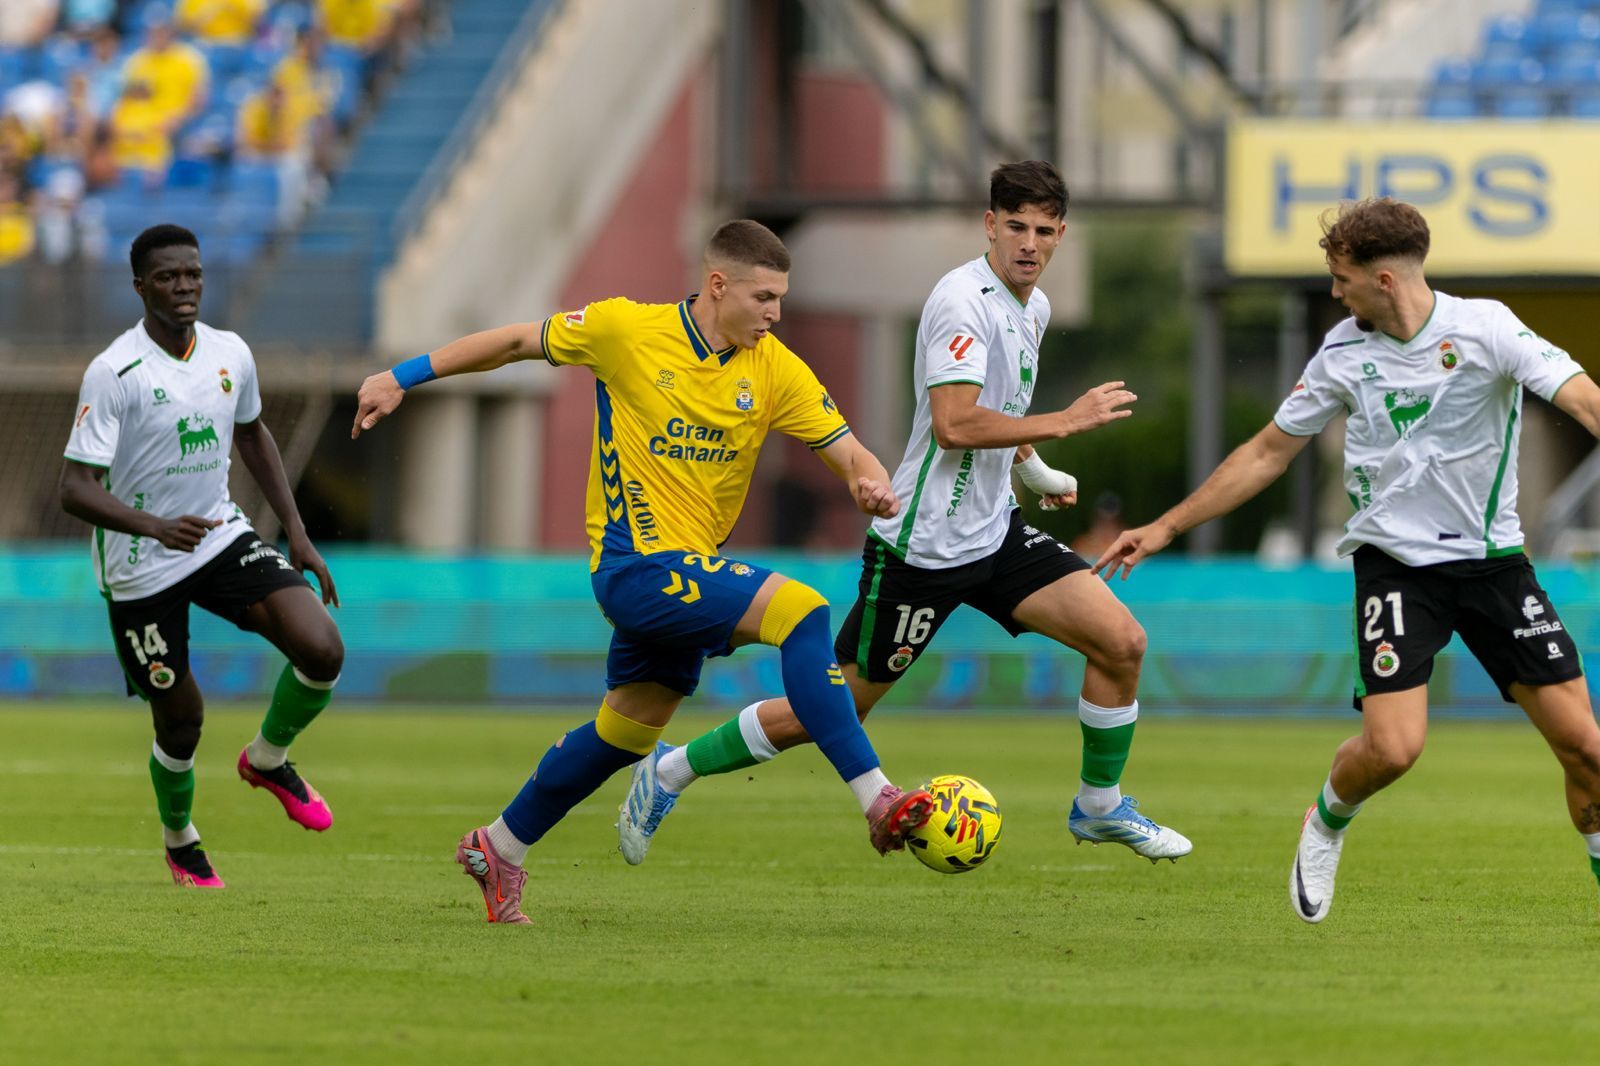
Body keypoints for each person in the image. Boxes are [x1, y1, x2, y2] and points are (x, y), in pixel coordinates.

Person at [352, 219, 936, 925]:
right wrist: (399, 377)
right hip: (637, 566)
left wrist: (867, 485)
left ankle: (498, 846)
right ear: (718, 285)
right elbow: (512, 343)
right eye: (765, 298)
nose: (776, 314)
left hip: (692, 571)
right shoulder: (624, 330)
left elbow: (849, 451)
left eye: (781, 299)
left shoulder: (774, 367)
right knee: (803, 612)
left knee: (625, 734)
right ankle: (876, 796)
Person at [617, 161, 1192, 868]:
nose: (1029, 243)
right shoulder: (961, 301)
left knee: (1121, 642)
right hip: (920, 551)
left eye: (1044, 230)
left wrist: (1034, 471)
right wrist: (1065, 424)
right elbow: (954, 424)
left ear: (1061, 235)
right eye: (1015, 226)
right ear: (990, 225)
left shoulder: (1032, 308)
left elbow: (999, 411)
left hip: (995, 535)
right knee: (833, 709)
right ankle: (669, 770)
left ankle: (1100, 806)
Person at [1094, 196, 1600, 923]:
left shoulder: (1487, 329)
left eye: (1342, 278)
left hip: (1494, 565)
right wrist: (1168, 525)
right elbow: (1269, 450)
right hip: (1394, 567)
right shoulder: (1341, 353)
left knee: (1586, 748)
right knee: (1394, 751)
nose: (1335, 291)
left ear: (1385, 280)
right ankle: (1327, 820)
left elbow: (1583, 400)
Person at [59, 224, 345, 889]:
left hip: (218, 535)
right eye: (168, 277)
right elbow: (73, 488)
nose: (184, 286)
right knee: (182, 721)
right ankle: (179, 839)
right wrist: (153, 527)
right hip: (140, 564)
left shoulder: (230, 353)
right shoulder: (115, 370)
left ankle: (269, 759)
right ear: (140, 287)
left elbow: (252, 435)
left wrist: (296, 532)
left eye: (192, 274)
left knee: (323, 649)